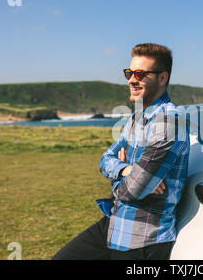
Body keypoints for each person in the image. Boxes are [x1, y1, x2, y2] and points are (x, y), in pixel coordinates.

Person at [52, 43, 190, 260]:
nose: (131, 80)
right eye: (129, 72)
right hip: (114, 224)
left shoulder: (168, 124)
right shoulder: (138, 116)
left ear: (162, 78)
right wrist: (127, 170)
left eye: (140, 74)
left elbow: (131, 192)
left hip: (142, 240)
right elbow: (104, 159)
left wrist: (122, 178)